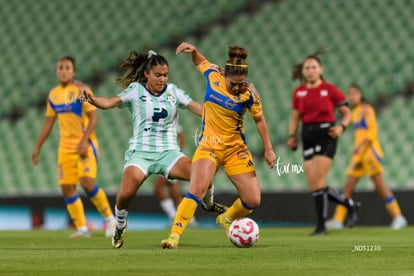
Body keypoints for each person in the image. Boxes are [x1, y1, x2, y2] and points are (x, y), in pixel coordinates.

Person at [80, 50, 224, 249]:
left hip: (169, 153)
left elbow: (197, 108)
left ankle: (208, 204)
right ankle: (120, 225)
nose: (162, 79)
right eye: (158, 75)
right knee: (125, 195)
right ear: (147, 74)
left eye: (165, 75)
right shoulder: (135, 91)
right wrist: (92, 99)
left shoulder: (174, 92)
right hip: (140, 153)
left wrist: (221, 115)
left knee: (202, 171)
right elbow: (109, 102)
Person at [161, 42, 276, 249]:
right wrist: (194, 51)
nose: (237, 87)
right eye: (233, 83)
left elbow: (260, 120)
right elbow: (200, 62)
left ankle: (226, 218)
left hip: (235, 149)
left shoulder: (250, 92)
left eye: (241, 83)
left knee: (253, 200)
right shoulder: (213, 74)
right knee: (197, 189)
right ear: (225, 75)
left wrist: (268, 149)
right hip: (209, 145)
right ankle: (174, 236)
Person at [31, 56, 116, 238]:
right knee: (67, 188)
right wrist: (38, 146)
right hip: (65, 147)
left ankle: (111, 220)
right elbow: (48, 122)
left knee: (87, 183)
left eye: (67, 68)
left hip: (85, 144)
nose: (63, 71)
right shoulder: (53, 94)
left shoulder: (81, 90)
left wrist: (85, 140)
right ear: (56, 71)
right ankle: (83, 228)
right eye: (60, 67)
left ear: (73, 71)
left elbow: (94, 117)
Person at [287, 50, 359, 235]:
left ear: (321, 69)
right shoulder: (299, 92)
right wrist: (291, 136)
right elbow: (295, 117)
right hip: (308, 135)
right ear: (303, 71)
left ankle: (321, 226)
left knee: (318, 181)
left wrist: (341, 127)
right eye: (307, 68)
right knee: (314, 185)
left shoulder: (330, 89)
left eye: (313, 67)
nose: (310, 70)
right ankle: (349, 203)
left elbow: (347, 113)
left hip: (326, 135)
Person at [326, 83, 407, 230]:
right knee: (348, 187)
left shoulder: (366, 109)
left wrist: (359, 146)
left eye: (355, 93)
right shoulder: (355, 112)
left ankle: (398, 217)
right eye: (349, 94)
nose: (352, 96)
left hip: (369, 154)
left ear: (361, 94)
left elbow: (371, 132)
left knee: (380, 186)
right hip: (359, 157)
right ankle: (338, 220)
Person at [154, 124, 197, 227]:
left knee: (158, 188)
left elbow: (181, 136)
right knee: (175, 194)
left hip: (169, 160)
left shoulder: (169, 123)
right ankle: (189, 219)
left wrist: (178, 150)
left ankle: (173, 216)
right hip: (167, 159)